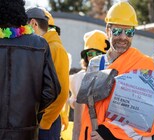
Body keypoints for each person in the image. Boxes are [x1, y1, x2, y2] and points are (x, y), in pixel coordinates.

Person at [78, 1, 154, 140]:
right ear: (107, 30)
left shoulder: (144, 65)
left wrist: (106, 134)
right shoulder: (95, 64)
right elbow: (88, 105)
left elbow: (144, 115)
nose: (123, 37)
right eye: (117, 31)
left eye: (129, 32)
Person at [0, 0, 60, 139]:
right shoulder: (39, 43)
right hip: (26, 130)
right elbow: (52, 89)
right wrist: (32, 110)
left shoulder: (39, 44)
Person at [26, 7, 69, 140]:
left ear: (34, 24)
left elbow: (61, 92)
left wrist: (45, 123)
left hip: (46, 123)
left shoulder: (55, 48)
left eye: (24, 26)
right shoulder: (43, 46)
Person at [69, 30, 109, 139]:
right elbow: (77, 122)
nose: (94, 57)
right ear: (86, 57)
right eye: (90, 54)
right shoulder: (79, 78)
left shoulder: (114, 77)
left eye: (98, 53)